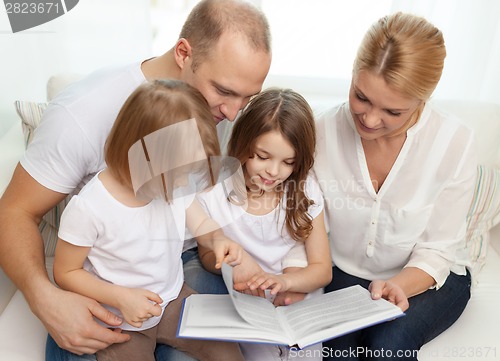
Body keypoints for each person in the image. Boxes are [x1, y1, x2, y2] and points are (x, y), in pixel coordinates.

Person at [0, 0, 271, 360]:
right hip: (114, 294)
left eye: (247, 98)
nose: (234, 113)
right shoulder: (84, 116)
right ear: (183, 53)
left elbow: (192, 208)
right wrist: (44, 298)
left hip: (173, 279)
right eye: (224, 91)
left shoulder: (213, 117)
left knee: (238, 338)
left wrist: (218, 243)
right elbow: (15, 212)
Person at [312, 12, 477, 360]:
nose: (370, 119)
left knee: (387, 348)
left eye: (392, 111)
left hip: (430, 279)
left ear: (423, 100)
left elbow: (438, 250)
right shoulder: (321, 132)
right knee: (337, 353)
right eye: (361, 97)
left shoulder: (454, 143)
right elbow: (304, 223)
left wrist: (399, 286)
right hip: (347, 272)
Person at [54, 79, 246, 361]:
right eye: (180, 172)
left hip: (173, 299)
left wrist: (219, 240)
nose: (185, 181)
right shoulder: (90, 208)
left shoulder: (173, 185)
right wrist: (120, 297)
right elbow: (66, 272)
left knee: (227, 352)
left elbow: (202, 224)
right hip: (120, 319)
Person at [197, 88, 333, 361]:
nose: (273, 171)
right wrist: (233, 265)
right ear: (243, 144)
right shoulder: (216, 190)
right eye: (262, 156)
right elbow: (206, 253)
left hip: (299, 295)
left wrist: (285, 282)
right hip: (251, 304)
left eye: (288, 162)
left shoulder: (304, 189)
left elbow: (322, 270)